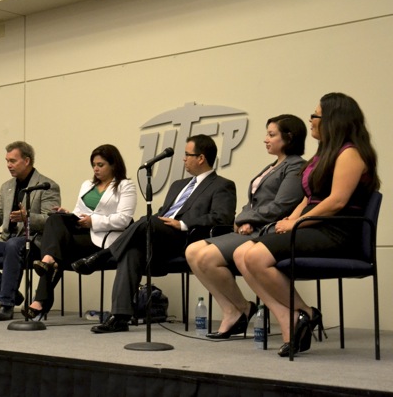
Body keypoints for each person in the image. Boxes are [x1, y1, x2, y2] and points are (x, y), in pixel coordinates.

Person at [235, 93, 380, 357]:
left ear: (333, 120)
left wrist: (298, 223)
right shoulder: (324, 154)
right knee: (240, 254)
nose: (311, 120)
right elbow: (308, 196)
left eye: (315, 115)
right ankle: (293, 317)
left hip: (336, 231)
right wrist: (291, 218)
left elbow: (336, 202)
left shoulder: (351, 154)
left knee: (254, 256)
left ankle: (302, 314)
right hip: (314, 226)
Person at [72, 134, 237, 333]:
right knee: (133, 248)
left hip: (188, 239)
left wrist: (183, 223)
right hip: (159, 236)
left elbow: (222, 219)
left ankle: (103, 255)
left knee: (147, 222)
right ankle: (120, 317)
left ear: (201, 158)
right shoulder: (178, 185)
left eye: (187, 154)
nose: (184, 159)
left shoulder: (222, 185)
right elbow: (163, 213)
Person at [185, 115, 307, 339]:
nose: (265, 140)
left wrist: (247, 219)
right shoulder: (272, 166)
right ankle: (234, 309)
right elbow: (252, 202)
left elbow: (282, 205)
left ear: (289, 138)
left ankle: (240, 309)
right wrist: (243, 217)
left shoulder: (296, 166)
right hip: (250, 227)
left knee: (207, 258)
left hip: (265, 231)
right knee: (192, 251)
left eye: (271, 135)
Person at [22, 144, 137, 321]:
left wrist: (93, 221)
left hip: (102, 240)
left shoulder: (125, 186)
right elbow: (79, 211)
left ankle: (40, 301)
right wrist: (68, 214)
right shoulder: (88, 184)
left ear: (113, 165)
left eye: (101, 165)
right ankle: (48, 263)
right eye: (94, 165)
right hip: (80, 231)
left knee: (56, 251)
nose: (96, 169)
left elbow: (123, 219)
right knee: (55, 218)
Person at [0, 141, 61, 321]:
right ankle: (12, 294)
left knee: (14, 245)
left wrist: (28, 218)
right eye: (7, 161)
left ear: (26, 160)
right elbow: (0, 215)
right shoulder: (7, 186)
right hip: (8, 240)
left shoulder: (47, 185)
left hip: (35, 242)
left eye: (13, 161)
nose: (8, 165)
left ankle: (7, 303)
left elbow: (51, 221)